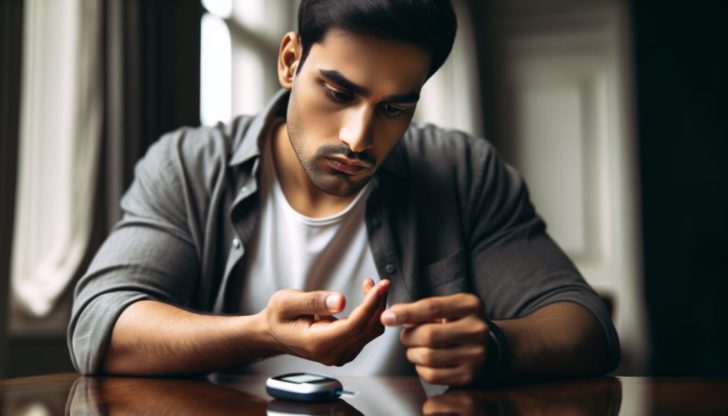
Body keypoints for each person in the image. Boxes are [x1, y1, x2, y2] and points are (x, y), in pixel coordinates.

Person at [68, 0, 619, 386]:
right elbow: (101, 325)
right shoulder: (190, 166)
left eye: (394, 108)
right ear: (289, 61)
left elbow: (584, 325)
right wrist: (263, 334)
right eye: (338, 91)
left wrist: (495, 347)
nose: (358, 137)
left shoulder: (463, 171)